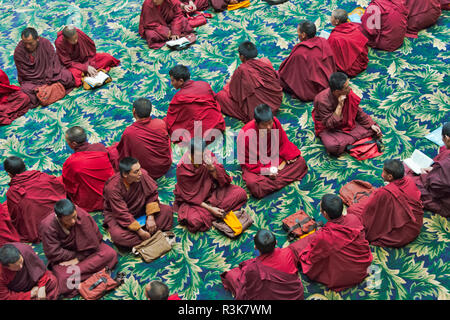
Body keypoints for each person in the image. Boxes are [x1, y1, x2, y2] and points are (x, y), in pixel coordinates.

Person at [289, 194, 373, 291]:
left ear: (324, 213)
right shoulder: (353, 218)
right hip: (363, 266)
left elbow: (313, 257)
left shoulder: (323, 236)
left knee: (299, 250)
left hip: (344, 277)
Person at [39, 199, 118, 298]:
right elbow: (53, 252)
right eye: (68, 220)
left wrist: (78, 258)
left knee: (110, 254)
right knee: (63, 278)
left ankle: (82, 278)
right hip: (65, 259)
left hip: (88, 252)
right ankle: (91, 275)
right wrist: (73, 257)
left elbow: (94, 239)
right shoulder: (47, 226)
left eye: (74, 217)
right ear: (59, 218)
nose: (73, 221)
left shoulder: (81, 215)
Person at [174, 139, 248, 233]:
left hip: (213, 192)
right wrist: (211, 209)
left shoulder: (207, 155)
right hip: (195, 201)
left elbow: (223, 179)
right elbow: (189, 196)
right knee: (195, 221)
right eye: (199, 156)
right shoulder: (182, 168)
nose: (203, 158)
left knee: (241, 193)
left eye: (204, 154)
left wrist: (212, 169)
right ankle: (216, 213)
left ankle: (214, 213)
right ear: (191, 154)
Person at [347, 159, 424, 247]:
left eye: (383, 172)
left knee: (353, 210)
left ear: (390, 177)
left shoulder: (385, 193)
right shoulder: (409, 180)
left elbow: (371, 212)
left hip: (400, 234)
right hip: (416, 224)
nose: (382, 174)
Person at [237, 104, 308, 199]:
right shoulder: (245, 135)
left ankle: (272, 182)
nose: (269, 127)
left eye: (270, 123)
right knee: (254, 184)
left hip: (274, 156)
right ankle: (279, 178)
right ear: (257, 124)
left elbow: (283, 142)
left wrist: (288, 156)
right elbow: (249, 164)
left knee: (301, 162)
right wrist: (267, 171)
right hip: (256, 165)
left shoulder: (275, 123)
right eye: (264, 125)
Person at [103, 157, 174, 248]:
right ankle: (150, 233)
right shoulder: (113, 188)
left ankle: (146, 235)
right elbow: (121, 213)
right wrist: (140, 231)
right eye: (136, 172)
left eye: (139, 169)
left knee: (167, 211)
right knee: (119, 236)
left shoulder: (142, 175)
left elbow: (152, 195)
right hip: (120, 215)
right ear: (125, 174)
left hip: (140, 208)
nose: (140, 173)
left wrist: (150, 217)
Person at [221, 229, 304, 300]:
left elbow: (250, 290)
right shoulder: (288, 253)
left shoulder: (253, 268)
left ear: (255, 247)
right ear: (276, 242)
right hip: (296, 296)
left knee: (231, 275)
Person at [312, 72, 382, 156]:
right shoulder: (321, 101)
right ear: (337, 91)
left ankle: (347, 143)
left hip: (347, 122)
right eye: (346, 87)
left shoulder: (347, 92)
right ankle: (354, 140)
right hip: (330, 129)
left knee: (374, 128)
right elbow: (329, 124)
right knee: (332, 146)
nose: (350, 88)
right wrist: (340, 105)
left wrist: (370, 124)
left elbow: (357, 111)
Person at [216, 41, 283, 123]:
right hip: (275, 103)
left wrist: (230, 83)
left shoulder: (241, 70)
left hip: (258, 113)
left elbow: (234, 95)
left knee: (220, 96)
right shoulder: (264, 64)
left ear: (242, 57)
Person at [4, 156, 66, 243]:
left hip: (39, 230)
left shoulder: (13, 192)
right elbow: (60, 188)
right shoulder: (42, 176)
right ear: (25, 167)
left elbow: (15, 217)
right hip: (62, 219)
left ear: (9, 174)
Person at [13, 27, 75, 108]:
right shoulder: (19, 51)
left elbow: (54, 61)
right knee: (24, 92)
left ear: (37, 39)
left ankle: (44, 92)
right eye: (25, 43)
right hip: (32, 81)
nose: (27, 46)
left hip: (50, 75)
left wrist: (48, 77)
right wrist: (40, 83)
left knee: (67, 76)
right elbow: (24, 73)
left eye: (30, 43)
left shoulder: (45, 43)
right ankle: (51, 89)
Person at [278, 20, 336, 102]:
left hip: (312, 90)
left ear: (304, 34)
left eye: (298, 32)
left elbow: (286, 71)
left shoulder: (300, 52)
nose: (297, 35)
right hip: (327, 81)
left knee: (280, 78)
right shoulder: (323, 41)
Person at [166, 65, 226, 144]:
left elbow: (171, 119)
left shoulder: (178, 97)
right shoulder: (204, 84)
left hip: (202, 136)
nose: (171, 83)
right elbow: (213, 98)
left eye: (172, 81)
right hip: (218, 125)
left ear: (180, 81)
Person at [115, 98, 172, 180]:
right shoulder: (160, 123)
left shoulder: (129, 133)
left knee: (113, 152)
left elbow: (124, 154)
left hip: (143, 172)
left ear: (134, 111)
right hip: (164, 165)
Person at [62, 126, 114, 212]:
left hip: (90, 202)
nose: (67, 143)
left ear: (74, 144)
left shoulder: (71, 162)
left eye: (67, 141)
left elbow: (69, 187)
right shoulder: (100, 148)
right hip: (111, 195)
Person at [405, 122, 450, 218]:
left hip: (445, 199)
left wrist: (425, 174)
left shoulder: (447, 162)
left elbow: (436, 186)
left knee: (406, 179)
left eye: (442, 138)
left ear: (447, 138)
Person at [55, 25, 120, 88]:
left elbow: (91, 50)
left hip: (86, 59)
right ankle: (89, 74)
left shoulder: (79, 33)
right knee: (71, 75)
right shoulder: (59, 43)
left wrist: (91, 65)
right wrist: (85, 68)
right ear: (65, 38)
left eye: (76, 38)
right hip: (74, 65)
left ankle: (89, 73)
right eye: (72, 40)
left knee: (107, 57)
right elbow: (67, 62)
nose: (76, 41)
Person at [328, 9, 369, 77]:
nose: (330, 18)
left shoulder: (334, 37)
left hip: (349, 69)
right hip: (361, 62)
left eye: (331, 17)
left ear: (337, 21)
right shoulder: (356, 28)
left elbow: (329, 55)